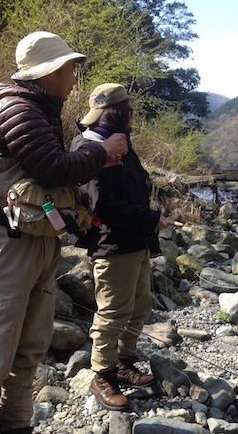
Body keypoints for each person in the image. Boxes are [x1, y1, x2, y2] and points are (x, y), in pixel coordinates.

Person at [0, 32, 128, 434]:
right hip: (3, 245)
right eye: (70, 68)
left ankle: (18, 426)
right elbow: (53, 167)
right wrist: (101, 153)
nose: (75, 77)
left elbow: (47, 168)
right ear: (48, 71)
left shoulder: (39, 109)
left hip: (34, 240)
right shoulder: (16, 108)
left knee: (29, 351)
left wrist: (91, 162)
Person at [70, 83, 168, 411]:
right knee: (112, 313)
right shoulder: (90, 146)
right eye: (130, 109)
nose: (133, 115)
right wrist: (149, 218)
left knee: (139, 309)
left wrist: (148, 220)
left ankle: (125, 363)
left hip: (135, 241)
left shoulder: (122, 142)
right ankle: (103, 374)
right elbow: (102, 205)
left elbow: (135, 185)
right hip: (112, 245)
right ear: (118, 112)